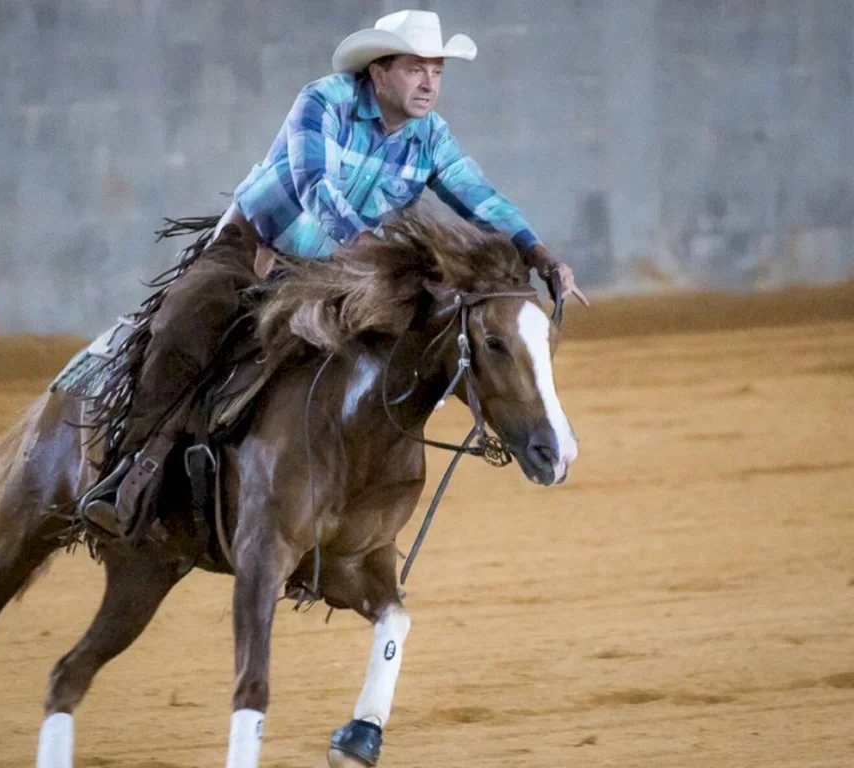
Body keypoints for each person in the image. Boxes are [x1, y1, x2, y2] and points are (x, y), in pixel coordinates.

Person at [83, 9, 585, 539]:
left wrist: (538, 254)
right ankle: (135, 468)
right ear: (378, 71)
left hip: (337, 272)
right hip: (256, 250)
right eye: (416, 69)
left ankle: (340, 501)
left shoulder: (431, 137)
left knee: (406, 352)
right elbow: (315, 187)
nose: (429, 83)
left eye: (437, 71)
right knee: (184, 326)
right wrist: (366, 248)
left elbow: (481, 198)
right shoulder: (323, 101)